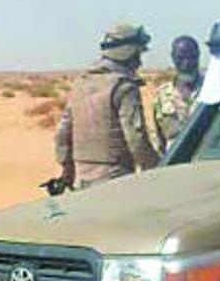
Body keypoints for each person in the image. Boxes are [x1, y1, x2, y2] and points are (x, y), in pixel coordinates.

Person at [54, 23, 161, 190]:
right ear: (129, 54)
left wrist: (67, 168)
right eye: (138, 54)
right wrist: (156, 172)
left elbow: (62, 133)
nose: (139, 62)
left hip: (81, 178)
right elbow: (136, 139)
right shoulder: (124, 87)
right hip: (115, 178)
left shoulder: (81, 84)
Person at [152, 35, 202, 151]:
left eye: (191, 57)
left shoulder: (211, 92)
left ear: (198, 57)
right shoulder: (161, 95)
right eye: (180, 58)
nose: (186, 63)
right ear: (173, 58)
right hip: (174, 162)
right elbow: (159, 139)